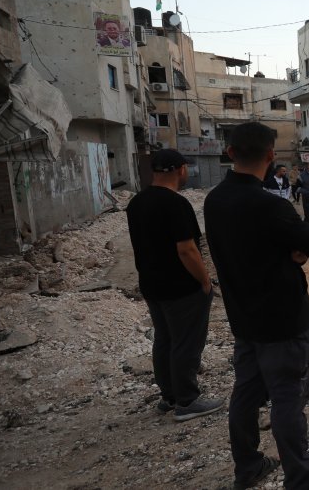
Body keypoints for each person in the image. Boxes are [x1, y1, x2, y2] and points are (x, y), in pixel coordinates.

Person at [203, 122, 309, 490]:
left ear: (230, 153)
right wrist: (292, 254)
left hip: (243, 319)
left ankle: (247, 467)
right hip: (283, 320)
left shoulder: (214, 201)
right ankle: (301, 481)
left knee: (245, 395)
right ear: (270, 156)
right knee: (287, 401)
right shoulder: (271, 206)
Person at [125, 149, 223, 422]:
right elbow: (187, 250)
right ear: (180, 169)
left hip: (152, 284)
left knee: (165, 339)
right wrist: (205, 280)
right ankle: (187, 400)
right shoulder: (176, 204)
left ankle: (169, 396)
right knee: (186, 343)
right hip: (181, 287)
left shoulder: (137, 203)